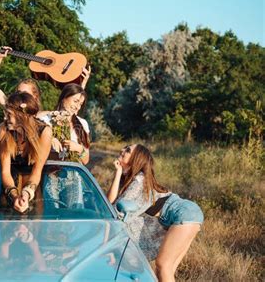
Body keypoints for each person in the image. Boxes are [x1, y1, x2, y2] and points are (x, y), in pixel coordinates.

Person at [107, 144, 203, 282]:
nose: (122, 150)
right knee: (166, 271)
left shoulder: (140, 180)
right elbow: (110, 202)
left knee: (162, 266)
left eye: (127, 150)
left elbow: (116, 211)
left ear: (136, 158)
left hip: (182, 212)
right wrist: (118, 172)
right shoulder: (133, 179)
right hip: (186, 213)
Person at [0, 91, 52, 214]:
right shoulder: (3, 129)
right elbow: (5, 171)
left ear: (21, 115)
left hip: (33, 183)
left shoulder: (45, 132)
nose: (5, 118)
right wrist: (14, 196)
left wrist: (27, 194)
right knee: (6, 227)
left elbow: (37, 171)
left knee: (34, 227)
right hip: (9, 183)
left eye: (9, 114)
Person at [40, 83, 90, 209]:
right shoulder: (47, 119)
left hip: (73, 176)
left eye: (80, 104)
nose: (77, 106)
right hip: (51, 175)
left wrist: (78, 148)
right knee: (52, 215)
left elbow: (86, 160)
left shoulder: (82, 124)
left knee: (74, 214)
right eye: (76, 101)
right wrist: (49, 138)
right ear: (64, 97)